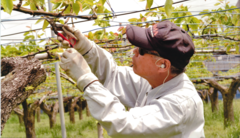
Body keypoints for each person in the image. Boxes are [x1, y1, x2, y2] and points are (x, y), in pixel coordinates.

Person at [58, 20, 205, 138]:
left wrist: (86, 79)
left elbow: (123, 125)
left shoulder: (179, 106)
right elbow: (112, 75)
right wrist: (85, 48)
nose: (134, 51)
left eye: (142, 50)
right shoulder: (154, 82)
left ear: (163, 64)